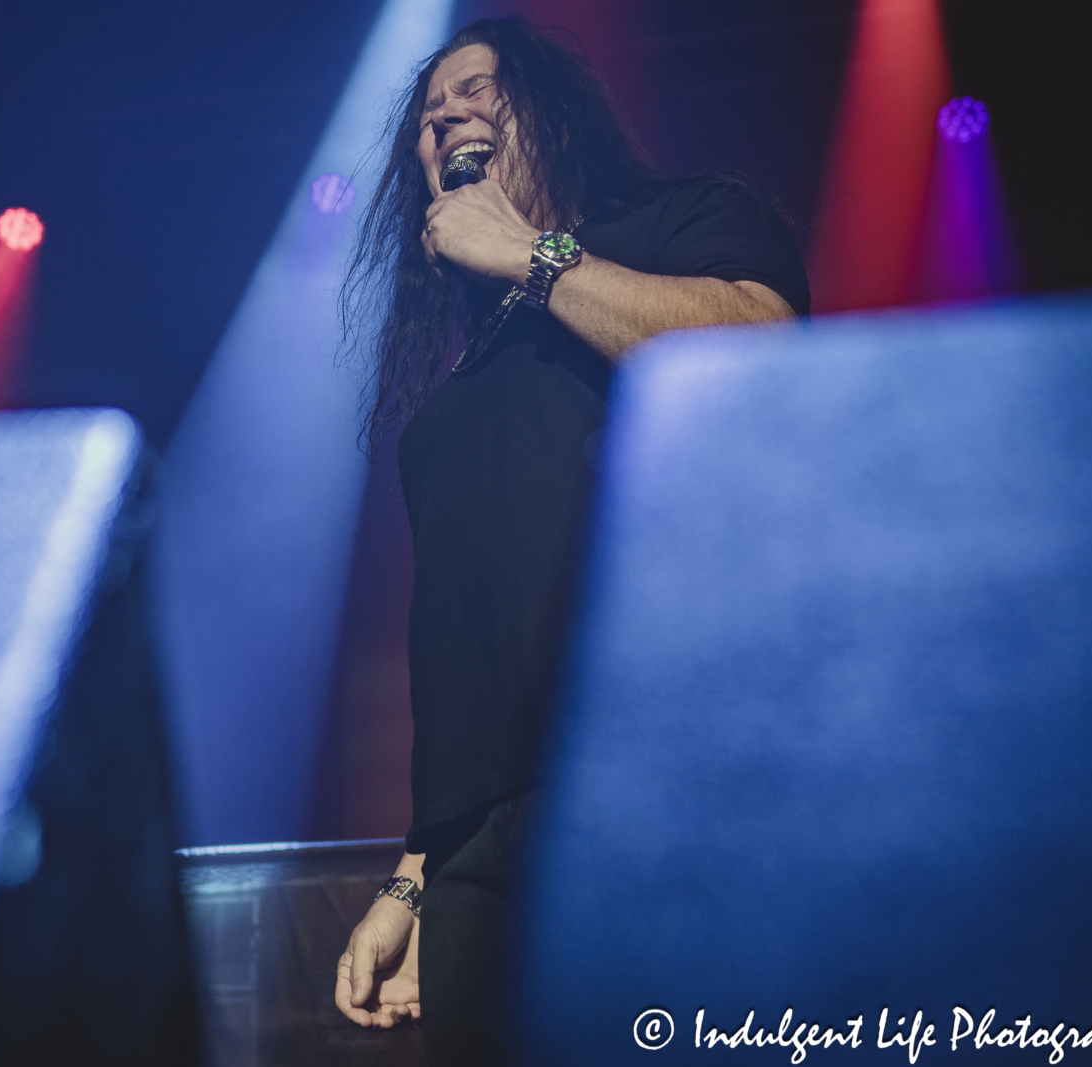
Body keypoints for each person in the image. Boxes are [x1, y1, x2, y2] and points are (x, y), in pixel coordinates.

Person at [333, 17, 810, 1065]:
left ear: (549, 109)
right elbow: (464, 641)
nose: (444, 114)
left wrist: (532, 255)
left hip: (649, 777)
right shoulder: (465, 376)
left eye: (474, 91)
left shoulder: (678, 220)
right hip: (474, 842)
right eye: (426, 114)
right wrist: (412, 878)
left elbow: (761, 350)